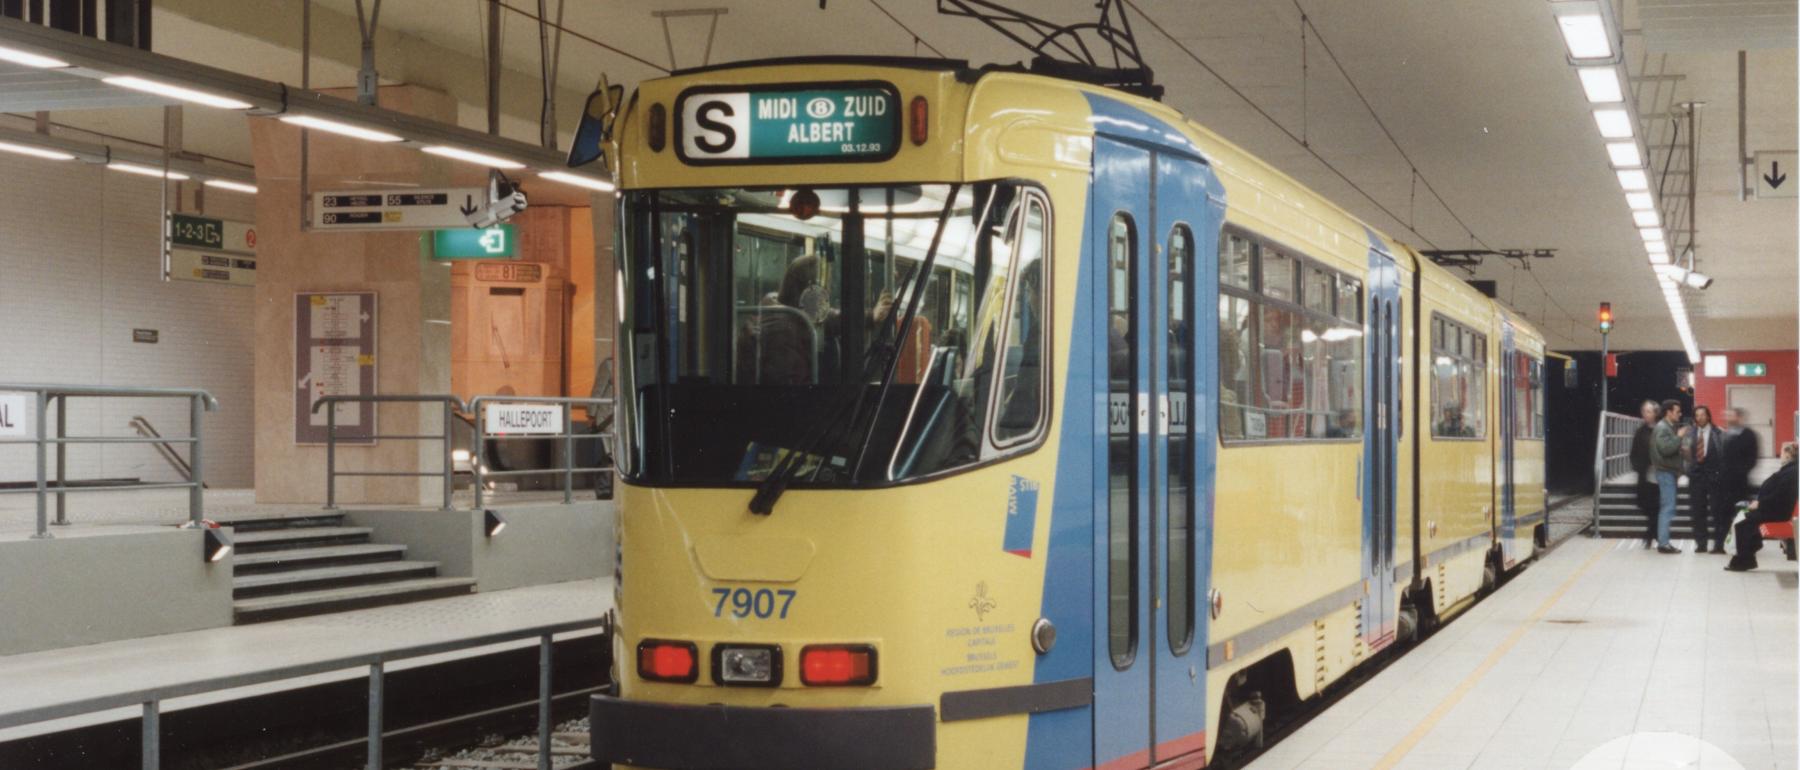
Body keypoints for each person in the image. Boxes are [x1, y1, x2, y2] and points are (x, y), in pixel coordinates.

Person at [1723, 442, 1798, 572]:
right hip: (1773, 507)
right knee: (1744, 519)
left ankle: (1744, 560)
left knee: (1743, 522)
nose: (1780, 455)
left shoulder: (1792, 471)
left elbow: (1780, 494)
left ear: (1788, 454)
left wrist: (1760, 503)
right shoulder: (1791, 469)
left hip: (1778, 511)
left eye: (1782, 452)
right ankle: (1745, 558)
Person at [1714, 407, 1763, 551]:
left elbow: (1752, 458)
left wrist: (1741, 471)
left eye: (1730, 416)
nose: (1727, 418)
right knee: (1722, 514)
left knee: (1741, 514)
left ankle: (1748, 544)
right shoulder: (1726, 434)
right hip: (1723, 483)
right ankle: (1720, 544)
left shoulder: (1749, 435)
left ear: (1739, 418)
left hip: (1740, 483)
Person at [1683, 405, 1725, 552]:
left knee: (1717, 510)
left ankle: (1719, 545)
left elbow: (1723, 454)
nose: (1700, 417)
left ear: (1708, 416)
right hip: (1696, 477)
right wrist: (1688, 471)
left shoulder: (1718, 433)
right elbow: (1685, 453)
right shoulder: (1689, 434)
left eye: (1703, 415)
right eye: (1697, 415)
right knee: (1698, 511)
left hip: (1714, 476)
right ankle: (1701, 544)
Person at [1650, 399, 1685, 554]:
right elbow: (1665, 449)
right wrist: (1679, 437)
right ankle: (1663, 544)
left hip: (1668, 472)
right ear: (1669, 412)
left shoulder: (1666, 427)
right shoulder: (1664, 428)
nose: (1680, 414)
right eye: (1677, 411)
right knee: (1668, 508)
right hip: (1665, 473)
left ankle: (1663, 542)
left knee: (1667, 507)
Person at [1629, 400, 1662, 549]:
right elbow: (1633, 453)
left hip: (1660, 475)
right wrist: (1639, 467)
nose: (1645, 414)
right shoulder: (1640, 431)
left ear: (1655, 413)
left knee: (1656, 506)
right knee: (1646, 505)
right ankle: (1652, 532)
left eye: (1648, 411)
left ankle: (1650, 535)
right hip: (1645, 474)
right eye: (1644, 411)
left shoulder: (1662, 429)